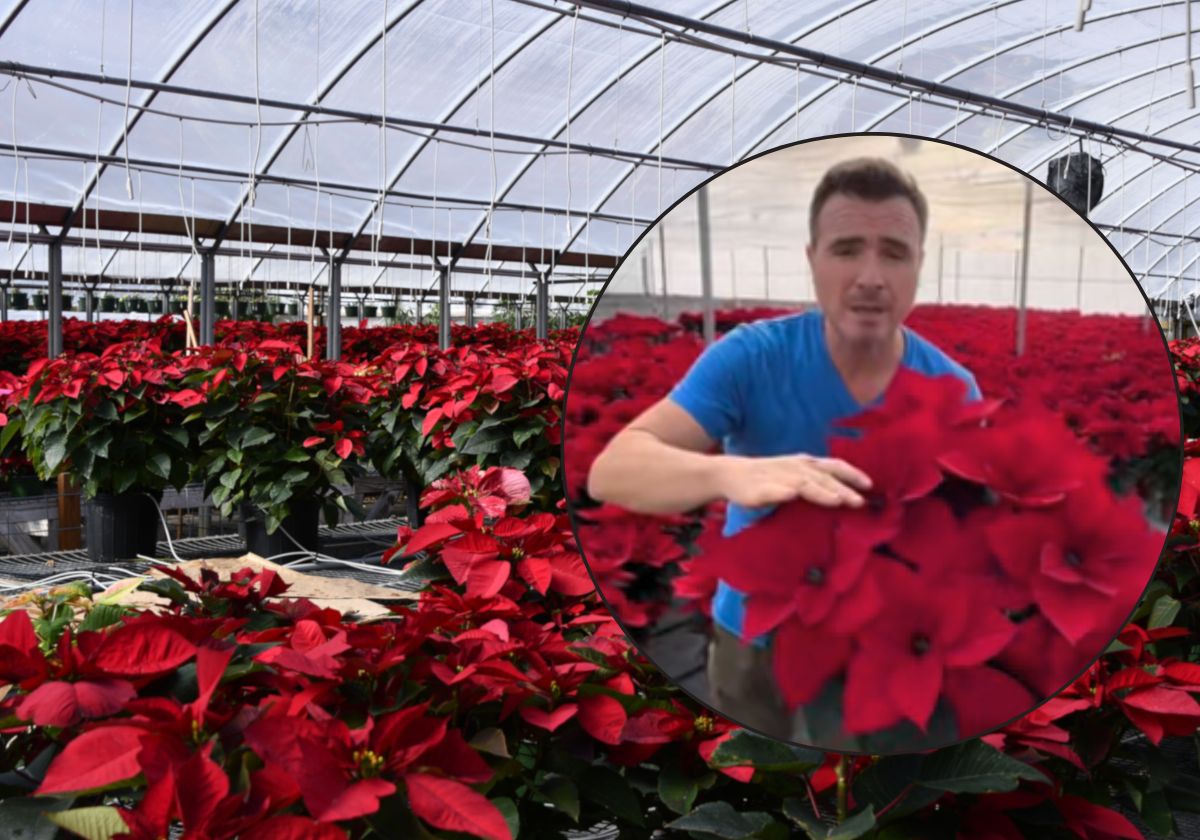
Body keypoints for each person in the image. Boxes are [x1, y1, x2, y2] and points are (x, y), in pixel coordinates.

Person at [586, 156, 982, 747]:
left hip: (883, 646)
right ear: (813, 259)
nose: (871, 275)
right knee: (757, 788)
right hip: (756, 638)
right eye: (847, 248)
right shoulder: (752, 357)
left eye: (893, 252)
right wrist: (733, 473)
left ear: (919, 265)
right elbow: (611, 471)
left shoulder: (953, 387)